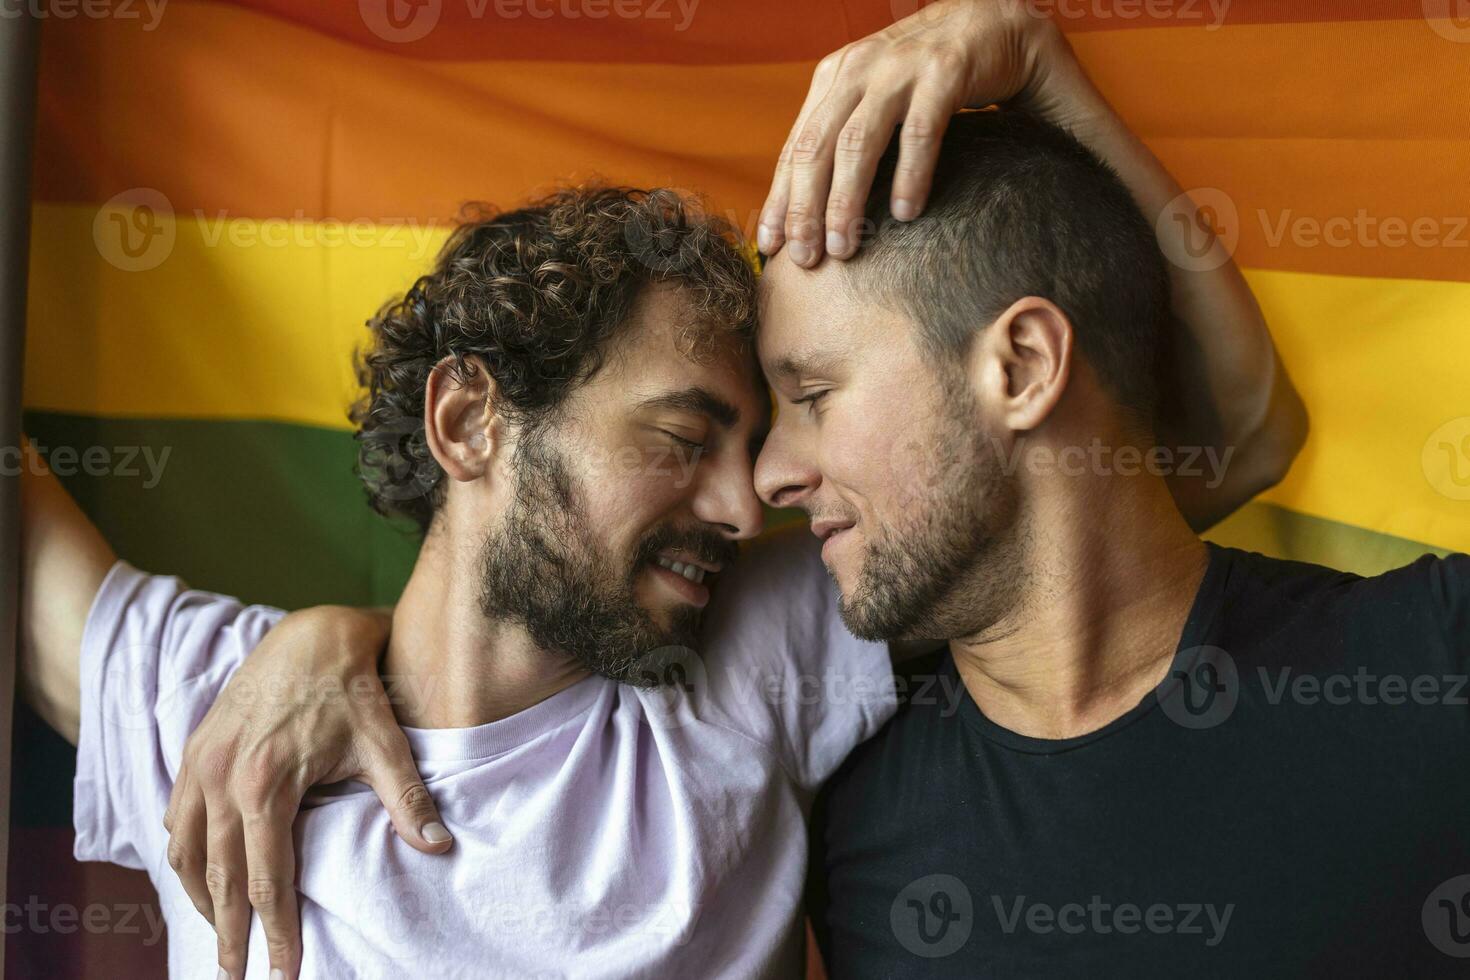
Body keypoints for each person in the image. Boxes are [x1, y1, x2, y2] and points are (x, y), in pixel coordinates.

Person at [22, 3, 1308, 978]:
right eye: (682, 435)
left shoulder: (754, 664)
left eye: (758, 441)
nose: (749, 506)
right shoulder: (206, 705)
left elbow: (1227, 438)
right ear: (469, 419)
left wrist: (1039, 63)